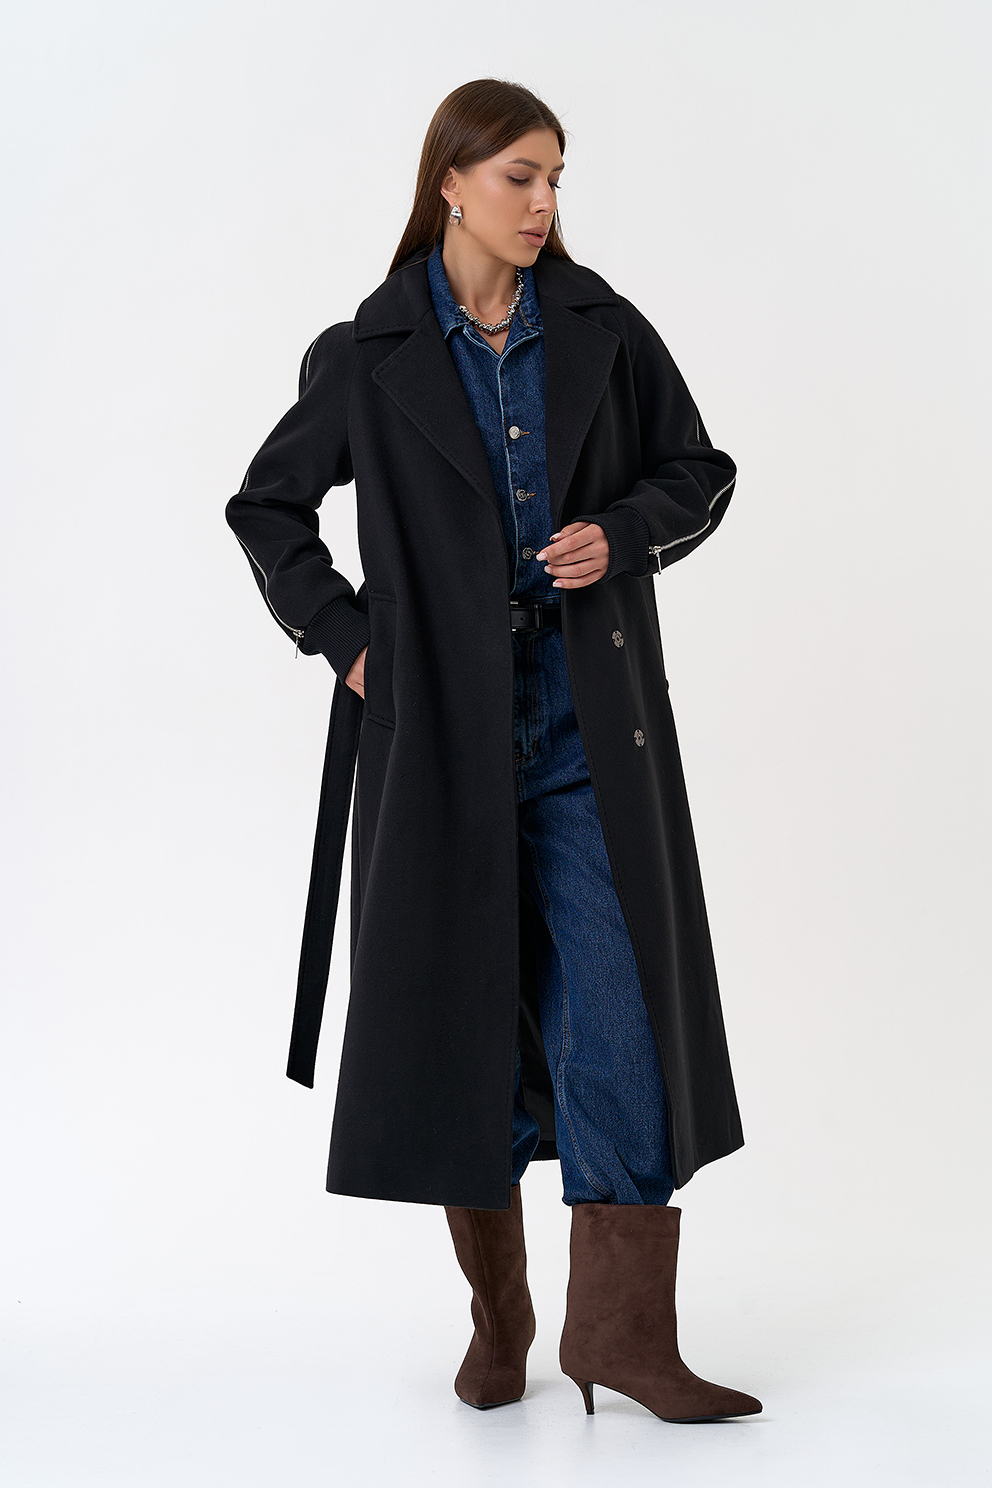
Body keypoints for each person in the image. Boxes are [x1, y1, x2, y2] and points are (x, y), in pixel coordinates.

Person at [226, 77, 761, 1423]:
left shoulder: (602, 328)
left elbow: (698, 472)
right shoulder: (368, 351)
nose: (544, 202)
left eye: (556, 177)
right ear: (450, 184)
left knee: (620, 1015)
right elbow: (267, 508)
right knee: (464, 1025)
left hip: (586, 723)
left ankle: (622, 1337)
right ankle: (502, 1313)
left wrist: (622, 535)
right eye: (520, 175)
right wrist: (348, 638)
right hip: (440, 739)